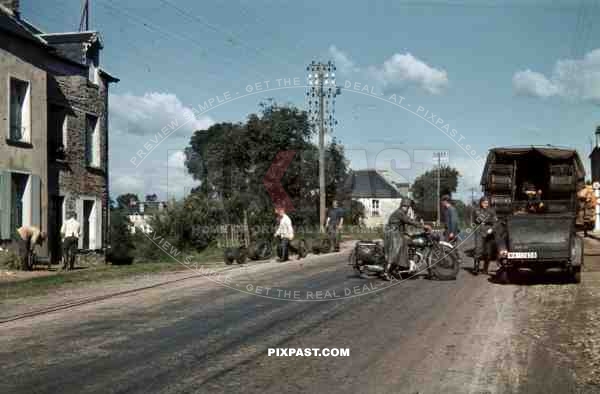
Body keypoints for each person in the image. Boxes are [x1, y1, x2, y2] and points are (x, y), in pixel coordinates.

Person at [383, 199, 430, 281]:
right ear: (402, 206)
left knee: (408, 242)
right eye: (405, 206)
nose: (406, 208)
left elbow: (402, 226)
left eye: (407, 207)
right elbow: (410, 221)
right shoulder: (399, 213)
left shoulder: (400, 213)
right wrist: (423, 226)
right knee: (395, 250)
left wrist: (408, 233)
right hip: (393, 234)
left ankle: (406, 265)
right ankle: (386, 272)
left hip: (396, 233)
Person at [473, 196, 498, 275]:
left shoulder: (492, 211)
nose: (485, 204)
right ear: (481, 203)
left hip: (489, 232)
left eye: (487, 203)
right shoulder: (477, 210)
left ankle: (485, 269)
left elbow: (495, 222)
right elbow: (478, 219)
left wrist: (492, 228)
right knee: (478, 249)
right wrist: (489, 220)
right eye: (484, 203)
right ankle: (476, 268)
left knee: (488, 252)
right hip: (479, 232)